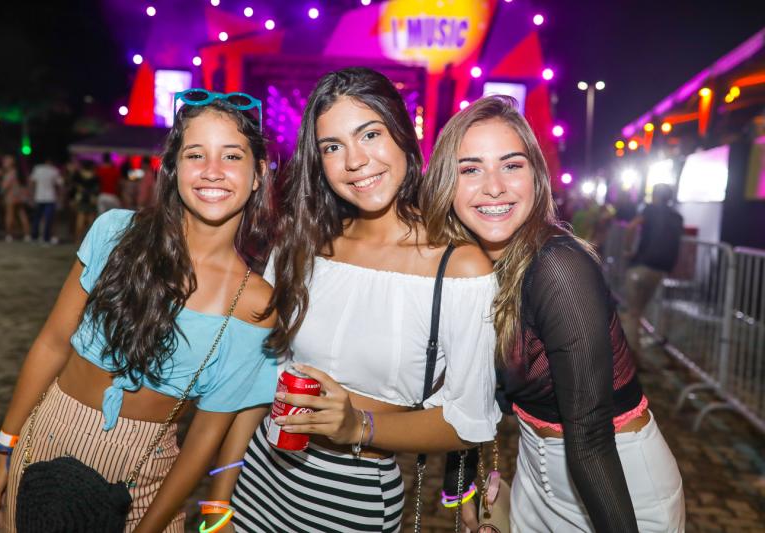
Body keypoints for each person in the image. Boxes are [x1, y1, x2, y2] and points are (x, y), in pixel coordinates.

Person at [221, 67, 501, 532]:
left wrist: (359, 426)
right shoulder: (300, 245)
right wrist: (218, 503)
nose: (355, 160)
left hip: (352, 499)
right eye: (332, 147)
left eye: (370, 134)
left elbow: (467, 424)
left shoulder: (459, 269)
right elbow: (253, 382)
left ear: (402, 134)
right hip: (255, 477)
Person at [0, 94, 278, 532]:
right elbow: (52, 343)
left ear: (258, 174)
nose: (212, 170)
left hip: (145, 478)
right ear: (173, 168)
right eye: (195, 154)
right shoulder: (115, 232)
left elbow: (204, 436)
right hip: (43, 441)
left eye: (232, 156)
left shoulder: (255, 302)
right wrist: (3, 448)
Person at [426, 96, 684, 532]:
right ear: (446, 184)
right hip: (533, 475)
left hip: (615, 483)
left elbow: (591, 435)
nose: (494, 187)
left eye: (511, 165)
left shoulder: (558, 266)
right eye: (470, 169)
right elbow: (466, 391)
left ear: (536, 176)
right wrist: (462, 489)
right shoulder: (468, 265)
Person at [623, 184, 683, 354]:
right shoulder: (677, 217)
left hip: (640, 266)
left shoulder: (649, 210)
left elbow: (631, 227)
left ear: (655, 196)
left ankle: (631, 355)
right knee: (639, 310)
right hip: (659, 270)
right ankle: (635, 353)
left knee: (632, 313)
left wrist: (627, 250)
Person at [29, 158, 63, 244]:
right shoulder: (54, 170)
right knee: (48, 219)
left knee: (37, 218)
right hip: (50, 197)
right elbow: (59, 184)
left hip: (39, 197)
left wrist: (31, 194)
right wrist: (60, 196)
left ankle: (34, 236)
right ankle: (46, 238)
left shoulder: (37, 169)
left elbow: (32, 182)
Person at [1, 155, 31, 242]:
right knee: (22, 215)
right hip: (20, 197)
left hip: (10, 197)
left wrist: (0, 193)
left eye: (6, 161)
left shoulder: (10, 173)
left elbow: (4, 187)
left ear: (12, 163)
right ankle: (27, 235)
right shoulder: (19, 173)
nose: (4, 163)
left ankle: (9, 235)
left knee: (9, 215)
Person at [71, 159, 100, 243]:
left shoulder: (78, 175)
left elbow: (74, 187)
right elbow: (97, 189)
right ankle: (90, 240)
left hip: (81, 198)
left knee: (80, 218)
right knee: (91, 219)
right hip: (91, 198)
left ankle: (77, 239)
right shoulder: (94, 176)